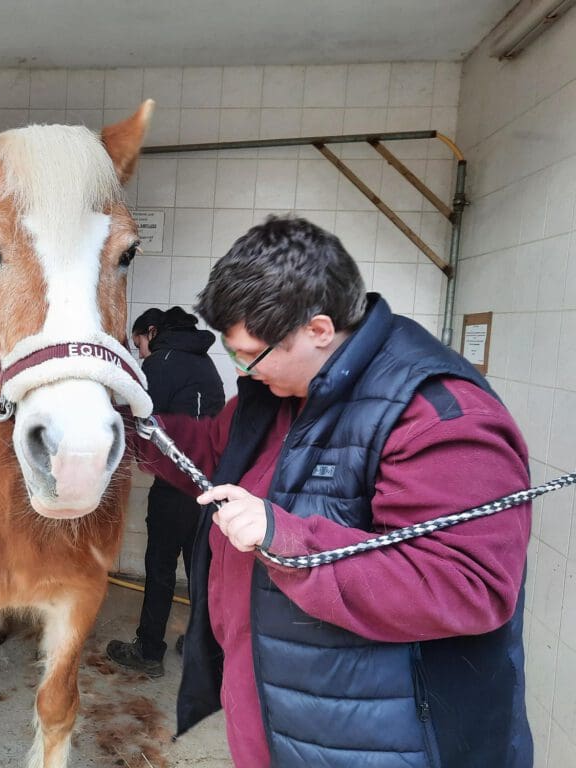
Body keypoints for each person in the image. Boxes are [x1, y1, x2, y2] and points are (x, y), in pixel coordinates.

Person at [138, 216, 532, 767]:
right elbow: (209, 450)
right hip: (276, 712)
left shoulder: (436, 414)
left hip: (371, 740)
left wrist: (285, 537)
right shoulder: (276, 393)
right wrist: (126, 427)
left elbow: (468, 584)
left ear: (319, 330)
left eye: (248, 355)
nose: (243, 373)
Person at [107, 306, 224, 677]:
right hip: (209, 485)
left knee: (159, 568)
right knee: (199, 570)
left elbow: (136, 419)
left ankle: (148, 650)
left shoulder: (161, 363)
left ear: (152, 332)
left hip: (175, 487)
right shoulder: (204, 363)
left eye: (139, 343)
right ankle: (203, 647)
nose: (142, 352)